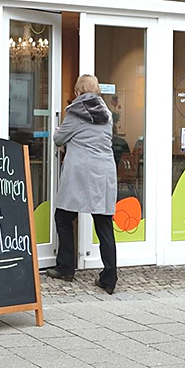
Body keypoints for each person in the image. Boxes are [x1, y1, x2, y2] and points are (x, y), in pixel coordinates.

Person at [46, 75, 119, 294]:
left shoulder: (74, 113)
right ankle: (109, 277)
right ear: (97, 91)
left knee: (63, 217)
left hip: (80, 172)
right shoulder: (107, 115)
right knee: (104, 224)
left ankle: (66, 267)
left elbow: (59, 140)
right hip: (104, 171)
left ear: (78, 91)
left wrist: (59, 131)